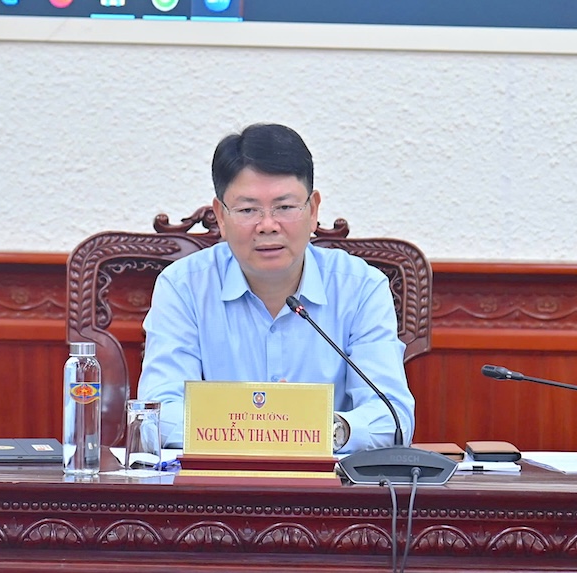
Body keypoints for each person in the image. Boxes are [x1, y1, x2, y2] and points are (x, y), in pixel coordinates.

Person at [137, 123, 414, 453]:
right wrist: (259, 427)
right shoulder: (183, 287)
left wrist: (320, 429)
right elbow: (155, 415)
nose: (267, 225)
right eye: (248, 210)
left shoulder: (361, 288)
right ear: (221, 216)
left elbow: (392, 417)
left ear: (313, 210)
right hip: (217, 483)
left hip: (327, 483)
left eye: (284, 207)